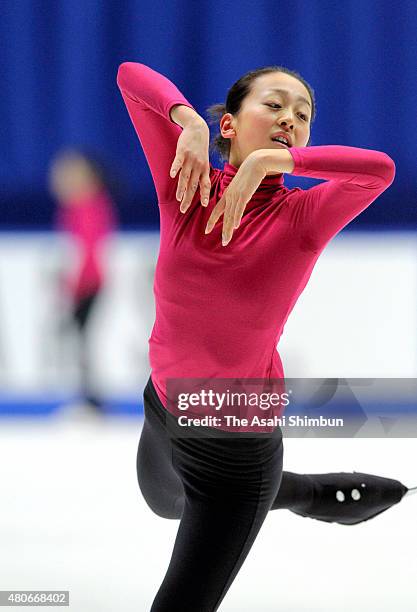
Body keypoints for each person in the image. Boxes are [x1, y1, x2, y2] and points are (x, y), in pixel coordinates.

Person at [117, 62, 413, 611]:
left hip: (236, 450)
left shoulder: (302, 215)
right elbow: (131, 75)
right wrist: (189, 123)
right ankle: (303, 491)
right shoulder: (187, 184)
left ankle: (277, 491)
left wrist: (278, 162)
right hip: (164, 406)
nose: (290, 119)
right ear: (229, 124)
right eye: (273, 105)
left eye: (302, 116)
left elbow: (381, 170)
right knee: (163, 503)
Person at [49, 149, 118, 412]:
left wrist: (75, 286)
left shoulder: (88, 206)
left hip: (89, 283)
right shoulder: (78, 207)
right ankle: (89, 397)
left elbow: (88, 250)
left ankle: (92, 400)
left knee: (84, 339)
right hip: (86, 282)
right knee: (81, 339)